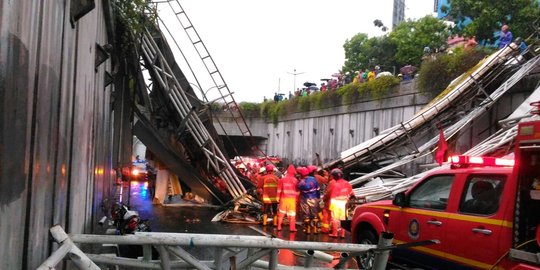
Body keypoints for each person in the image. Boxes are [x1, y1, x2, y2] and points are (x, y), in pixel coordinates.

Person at [326, 168, 354, 238]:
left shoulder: (335, 185)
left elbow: (333, 197)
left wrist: (330, 206)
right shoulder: (347, 183)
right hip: (344, 203)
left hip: (336, 203)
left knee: (335, 218)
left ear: (334, 176)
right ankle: (342, 234)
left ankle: (334, 233)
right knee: (343, 218)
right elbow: (352, 194)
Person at [297, 166, 321, 234]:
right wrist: (318, 197)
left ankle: (307, 230)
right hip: (314, 198)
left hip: (304, 199)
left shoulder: (301, 182)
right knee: (315, 214)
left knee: (306, 214)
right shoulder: (314, 179)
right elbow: (318, 189)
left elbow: (299, 190)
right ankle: (315, 230)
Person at [276, 165, 300, 232]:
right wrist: (297, 200)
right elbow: (297, 192)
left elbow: (279, 189)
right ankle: (292, 228)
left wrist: (277, 197)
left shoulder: (282, 179)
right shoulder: (296, 180)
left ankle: (279, 226)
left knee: (281, 213)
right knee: (292, 214)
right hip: (292, 200)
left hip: (284, 199)